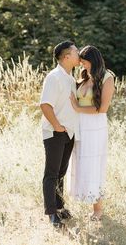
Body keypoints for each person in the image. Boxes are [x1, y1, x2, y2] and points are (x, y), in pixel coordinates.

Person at [69, 45, 115, 220]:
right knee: (81, 163)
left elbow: (102, 108)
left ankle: (98, 209)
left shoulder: (107, 77)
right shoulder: (83, 76)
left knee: (94, 164)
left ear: (93, 60)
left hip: (95, 126)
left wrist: (77, 107)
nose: (82, 65)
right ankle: (85, 197)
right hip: (80, 125)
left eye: (84, 61)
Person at [40, 40, 80, 228]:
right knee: (52, 174)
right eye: (76, 52)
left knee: (61, 173)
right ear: (66, 56)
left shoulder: (71, 79)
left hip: (69, 133)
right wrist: (56, 125)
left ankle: (59, 206)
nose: (79, 54)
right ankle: (51, 213)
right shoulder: (54, 77)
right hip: (55, 132)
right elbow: (45, 104)